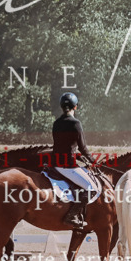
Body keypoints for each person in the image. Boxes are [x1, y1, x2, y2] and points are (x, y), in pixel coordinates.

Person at [51, 93, 96, 229]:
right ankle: (72, 215)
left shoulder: (56, 123)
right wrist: (93, 161)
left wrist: (77, 156)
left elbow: (62, 145)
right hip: (67, 166)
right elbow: (83, 148)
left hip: (55, 164)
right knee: (91, 189)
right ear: (75, 107)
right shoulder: (76, 123)